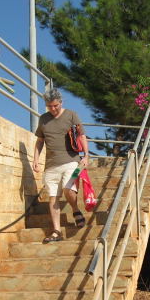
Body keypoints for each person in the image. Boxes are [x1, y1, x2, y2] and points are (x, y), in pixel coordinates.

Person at [33, 88, 89, 243]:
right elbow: (40, 141)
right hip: (51, 165)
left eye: (55, 105)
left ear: (61, 102)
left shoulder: (71, 115)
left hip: (72, 161)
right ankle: (56, 231)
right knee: (53, 197)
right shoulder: (43, 119)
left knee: (68, 188)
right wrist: (35, 159)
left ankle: (75, 209)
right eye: (49, 106)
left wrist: (86, 156)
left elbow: (82, 136)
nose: (53, 109)